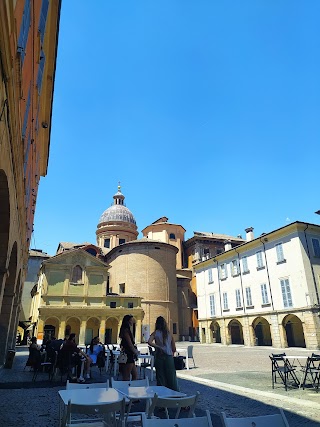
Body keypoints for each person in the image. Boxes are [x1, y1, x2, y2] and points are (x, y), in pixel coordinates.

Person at [148, 316, 178, 391]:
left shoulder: (155, 333)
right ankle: (175, 393)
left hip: (159, 356)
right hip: (169, 356)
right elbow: (174, 348)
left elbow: (149, 342)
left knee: (160, 376)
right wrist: (172, 353)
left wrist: (157, 347)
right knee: (171, 377)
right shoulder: (169, 334)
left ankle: (162, 394)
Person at [119, 314, 139, 381]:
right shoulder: (125, 330)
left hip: (130, 354)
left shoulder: (127, 330)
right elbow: (129, 343)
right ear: (127, 321)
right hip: (128, 354)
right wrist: (135, 351)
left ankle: (132, 388)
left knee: (135, 374)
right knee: (126, 376)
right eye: (131, 320)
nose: (132, 321)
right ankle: (125, 389)